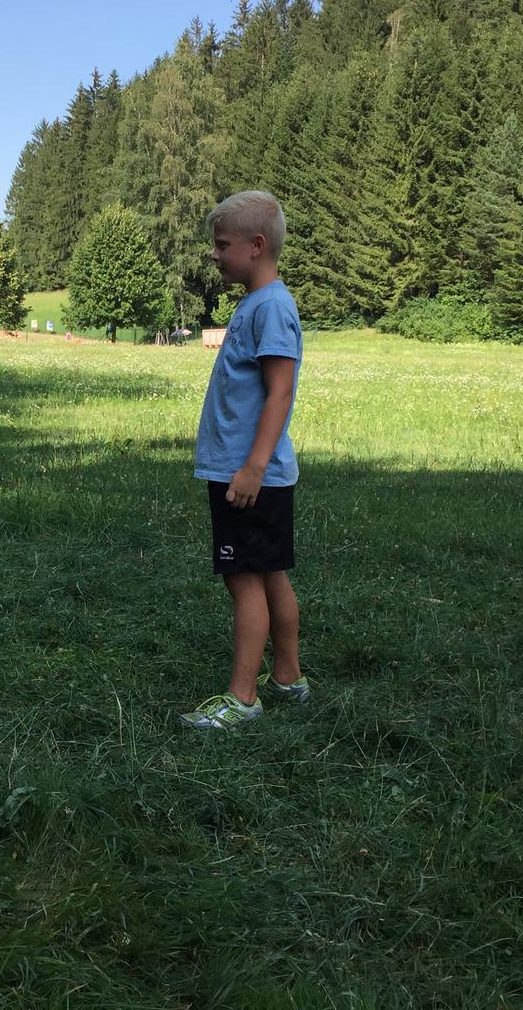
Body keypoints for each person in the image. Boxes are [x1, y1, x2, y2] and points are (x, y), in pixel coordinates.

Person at [180, 190, 310, 729]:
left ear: (256, 246)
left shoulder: (271, 307)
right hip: (252, 473)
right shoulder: (257, 303)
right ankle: (288, 676)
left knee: (244, 580)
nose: (214, 254)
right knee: (271, 573)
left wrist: (253, 466)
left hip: (247, 475)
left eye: (222, 245)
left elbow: (281, 392)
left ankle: (243, 697)